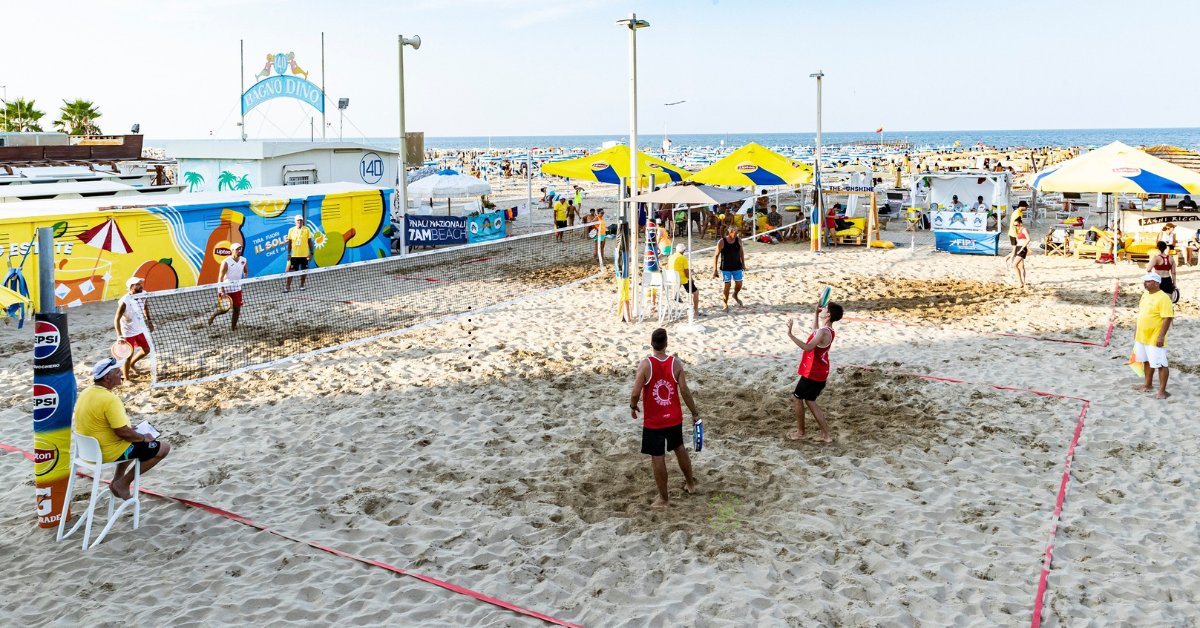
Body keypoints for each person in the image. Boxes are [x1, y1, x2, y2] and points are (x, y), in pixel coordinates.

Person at [76, 358, 171, 499]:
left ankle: (116, 480)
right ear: (107, 378)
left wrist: (131, 432)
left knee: (133, 437)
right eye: (117, 371)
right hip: (106, 452)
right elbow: (123, 432)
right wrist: (144, 438)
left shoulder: (86, 392)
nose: (121, 372)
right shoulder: (110, 400)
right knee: (163, 447)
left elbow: (101, 423)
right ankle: (123, 483)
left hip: (88, 451)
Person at [629, 328, 698, 509]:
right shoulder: (676, 363)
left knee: (658, 457)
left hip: (654, 420)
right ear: (666, 344)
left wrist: (633, 406)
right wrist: (694, 412)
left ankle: (664, 499)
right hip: (673, 416)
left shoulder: (645, 365)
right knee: (679, 448)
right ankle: (690, 485)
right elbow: (684, 391)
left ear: (651, 344)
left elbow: (636, 392)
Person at [785, 302, 843, 443]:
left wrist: (790, 335)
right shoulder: (828, 330)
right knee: (810, 401)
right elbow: (815, 332)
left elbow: (808, 347)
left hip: (813, 373)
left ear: (828, 315)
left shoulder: (823, 332)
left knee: (796, 398)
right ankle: (826, 435)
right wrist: (816, 314)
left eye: (824, 309)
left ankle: (801, 433)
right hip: (821, 372)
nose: (822, 309)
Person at [1133, 272, 1174, 400]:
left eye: (1148, 281)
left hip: (1155, 336)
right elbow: (1141, 313)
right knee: (1146, 360)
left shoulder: (1163, 298)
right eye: (1144, 281)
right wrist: (1136, 329)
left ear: (1157, 283)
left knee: (1161, 363)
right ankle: (1147, 384)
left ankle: (1162, 391)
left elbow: (1167, 318)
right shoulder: (1145, 294)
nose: (1145, 283)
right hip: (1142, 334)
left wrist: (1161, 336)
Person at [114, 277, 153, 379]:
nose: (141, 286)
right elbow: (116, 320)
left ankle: (132, 364)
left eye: (141, 283)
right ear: (131, 287)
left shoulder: (144, 294)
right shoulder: (124, 302)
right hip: (128, 332)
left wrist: (149, 321)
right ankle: (126, 379)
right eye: (138, 284)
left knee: (147, 349)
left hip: (140, 329)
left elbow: (145, 307)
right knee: (128, 355)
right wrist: (119, 336)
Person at [208, 243, 248, 330]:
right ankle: (213, 315)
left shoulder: (244, 260)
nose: (239, 251)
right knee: (225, 310)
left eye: (240, 249)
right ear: (232, 250)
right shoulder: (226, 262)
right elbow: (220, 278)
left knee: (237, 309)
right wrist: (222, 291)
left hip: (237, 288)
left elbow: (246, 271)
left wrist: (244, 279)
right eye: (237, 249)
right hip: (226, 288)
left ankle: (233, 327)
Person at [712, 226, 745, 311]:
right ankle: (725, 304)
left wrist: (743, 264)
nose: (737, 233)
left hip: (737, 265)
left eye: (737, 231)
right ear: (730, 232)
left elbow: (741, 252)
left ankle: (735, 295)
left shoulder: (739, 240)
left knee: (739, 284)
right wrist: (715, 269)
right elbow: (716, 256)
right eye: (736, 232)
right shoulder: (722, 242)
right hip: (726, 267)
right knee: (727, 286)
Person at [668, 244, 701, 318]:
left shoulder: (670, 257)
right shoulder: (683, 258)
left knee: (678, 282)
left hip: (672, 278)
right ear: (683, 251)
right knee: (695, 292)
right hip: (682, 279)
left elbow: (668, 267)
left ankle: (676, 295)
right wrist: (691, 279)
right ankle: (696, 311)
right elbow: (686, 272)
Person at [284, 215, 313, 293]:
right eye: (298, 220)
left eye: (300, 220)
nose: (299, 222)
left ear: (303, 221)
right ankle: (287, 287)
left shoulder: (307, 230)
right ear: (295, 221)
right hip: (295, 255)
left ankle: (302, 285)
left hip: (305, 255)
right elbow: (289, 243)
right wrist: (288, 254)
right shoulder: (291, 230)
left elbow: (309, 242)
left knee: (304, 271)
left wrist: (311, 253)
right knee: (291, 271)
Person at [1009, 217, 1030, 288]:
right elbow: (1017, 237)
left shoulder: (1024, 229)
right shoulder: (1019, 230)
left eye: (1016, 225)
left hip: (1022, 248)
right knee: (1021, 266)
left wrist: (1023, 247)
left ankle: (1020, 282)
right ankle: (1023, 282)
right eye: (1014, 225)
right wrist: (1015, 229)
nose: (1015, 226)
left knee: (1014, 265)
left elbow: (1028, 239)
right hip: (1018, 248)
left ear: (1020, 224)